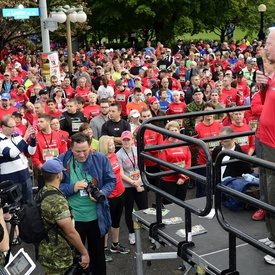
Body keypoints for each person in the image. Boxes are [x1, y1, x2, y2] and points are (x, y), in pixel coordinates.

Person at [59, 132, 116, 275]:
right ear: (71, 148)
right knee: (76, 259)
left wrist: (102, 193)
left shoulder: (100, 159)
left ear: (90, 147)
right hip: (73, 219)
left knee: (98, 258)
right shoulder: (62, 160)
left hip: (97, 217)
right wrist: (72, 187)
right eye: (78, 151)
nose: (82, 155)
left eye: (85, 150)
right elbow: (54, 187)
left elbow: (111, 180)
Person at [39, 159, 90, 274]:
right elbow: (70, 232)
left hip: (45, 249)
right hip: (59, 254)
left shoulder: (42, 193)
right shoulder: (57, 201)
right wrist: (84, 253)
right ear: (58, 175)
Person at [255, 28, 275, 265]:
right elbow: (261, 106)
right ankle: (272, 235)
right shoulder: (272, 76)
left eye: (268, 44)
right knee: (269, 194)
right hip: (267, 142)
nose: (265, 48)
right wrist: (263, 85)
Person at [98, 135, 129, 262]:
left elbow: (119, 172)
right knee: (106, 224)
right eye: (109, 145)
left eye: (113, 144)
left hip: (120, 192)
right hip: (109, 196)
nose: (112, 147)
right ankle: (103, 248)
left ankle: (115, 244)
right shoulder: (100, 160)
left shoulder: (114, 155)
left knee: (116, 221)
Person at [116, 131, 148, 245]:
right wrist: (134, 183)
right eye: (124, 140)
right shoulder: (119, 154)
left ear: (132, 140)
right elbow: (121, 174)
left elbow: (143, 167)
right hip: (128, 186)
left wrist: (139, 181)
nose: (126, 142)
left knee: (144, 208)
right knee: (129, 210)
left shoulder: (137, 150)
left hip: (140, 181)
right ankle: (131, 233)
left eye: (128, 139)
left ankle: (150, 232)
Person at [0, 114, 36, 204]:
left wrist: (33, 139)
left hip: (25, 176)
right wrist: (25, 138)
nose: (14, 129)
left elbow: (30, 151)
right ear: (3, 127)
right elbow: (12, 153)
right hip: (10, 179)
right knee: (14, 207)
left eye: (14, 126)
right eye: (11, 127)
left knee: (29, 205)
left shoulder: (16, 136)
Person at [159, 121, 191, 204]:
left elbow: (188, 161)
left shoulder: (184, 143)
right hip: (169, 179)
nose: (173, 132)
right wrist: (181, 174)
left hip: (184, 178)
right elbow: (164, 164)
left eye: (175, 130)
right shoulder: (163, 145)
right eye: (171, 130)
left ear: (179, 130)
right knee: (168, 203)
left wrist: (183, 176)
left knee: (181, 202)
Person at [32, 113, 67, 190]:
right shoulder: (36, 138)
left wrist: (57, 169)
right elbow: (35, 159)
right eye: (38, 122)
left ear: (48, 122)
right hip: (44, 174)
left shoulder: (59, 136)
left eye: (41, 122)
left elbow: (63, 155)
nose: (38, 124)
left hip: (57, 173)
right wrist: (46, 170)